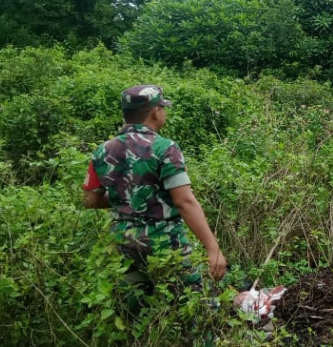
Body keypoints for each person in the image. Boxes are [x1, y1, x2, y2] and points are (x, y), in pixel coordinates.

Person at [81, 84, 227, 316]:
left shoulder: (102, 151)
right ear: (155, 111)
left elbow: (90, 200)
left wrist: (127, 196)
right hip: (166, 244)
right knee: (196, 311)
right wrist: (213, 248)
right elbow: (184, 202)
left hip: (123, 244)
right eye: (163, 108)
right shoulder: (165, 148)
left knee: (136, 315)